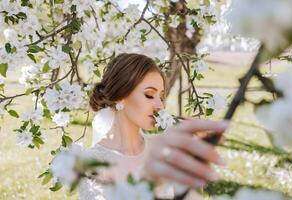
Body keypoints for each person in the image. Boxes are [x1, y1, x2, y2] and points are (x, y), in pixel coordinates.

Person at [78, 53, 229, 199]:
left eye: (161, 97)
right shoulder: (91, 164)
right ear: (120, 97)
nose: (160, 106)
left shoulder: (164, 149)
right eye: (149, 95)